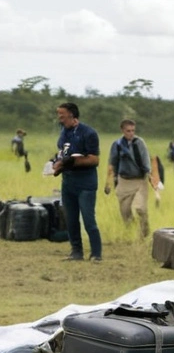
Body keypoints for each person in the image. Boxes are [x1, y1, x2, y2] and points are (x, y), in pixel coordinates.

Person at [53, 102, 102, 262]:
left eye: (62, 115)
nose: (60, 118)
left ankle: (96, 253)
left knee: (88, 219)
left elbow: (94, 160)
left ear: (72, 115)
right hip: (68, 182)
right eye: (58, 115)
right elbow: (63, 152)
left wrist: (71, 162)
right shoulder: (64, 132)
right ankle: (76, 252)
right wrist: (56, 163)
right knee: (71, 219)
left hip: (85, 183)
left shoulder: (88, 133)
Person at [108, 119, 152, 240]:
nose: (131, 133)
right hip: (124, 181)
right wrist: (111, 180)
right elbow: (113, 163)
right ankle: (131, 231)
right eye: (128, 131)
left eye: (133, 131)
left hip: (139, 180)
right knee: (125, 211)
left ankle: (144, 233)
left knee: (140, 208)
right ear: (122, 130)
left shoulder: (139, 143)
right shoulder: (117, 145)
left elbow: (145, 158)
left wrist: (149, 173)